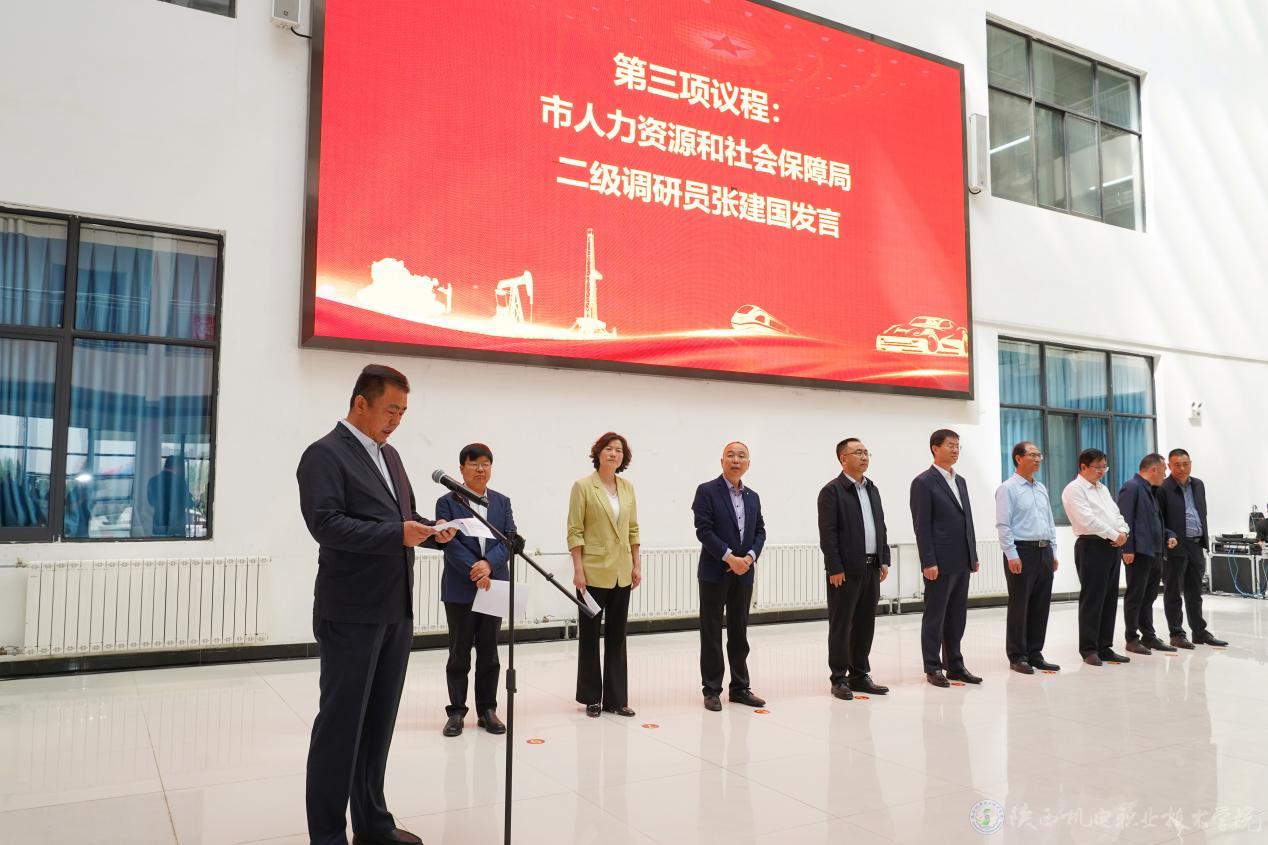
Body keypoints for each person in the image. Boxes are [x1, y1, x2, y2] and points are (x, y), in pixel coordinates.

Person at [297, 364, 455, 845]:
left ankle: (373, 825)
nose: (396, 421)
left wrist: (432, 532)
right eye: (390, 410)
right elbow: (326, 525)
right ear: (360, 403)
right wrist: (397, 534)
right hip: (350, 612)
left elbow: (399, 518)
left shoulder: (391, 456)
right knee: (341, 728)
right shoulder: (324, 454)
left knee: (378, 726)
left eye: (403, 412)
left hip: (394, 610)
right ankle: (328, 836)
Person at [435, 443, 516, 737]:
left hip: (493, 585)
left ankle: (487, 710)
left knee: (489, 652)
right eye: (474, 464)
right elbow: (449, 544)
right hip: (461, 586)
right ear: (461, 469)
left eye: (485, 464)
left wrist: (489, 565)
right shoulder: (447, 502)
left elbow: (509, 539)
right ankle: (456, 712)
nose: (480, 469)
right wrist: (476, 570)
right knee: (459, 652)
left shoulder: (502, 502)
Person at [568, 432, 641, 717]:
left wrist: (636, 564)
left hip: (622, 571)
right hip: (592, 572)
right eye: (609, 449)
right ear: (598, 453)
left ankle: (616, 699)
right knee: (589, 636)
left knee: (617, 636)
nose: (613, 454)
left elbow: (633, 529)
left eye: (619, 450)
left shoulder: (628, 487)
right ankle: (591, 698)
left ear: (624, 457)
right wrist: (578, 569)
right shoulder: (583, 486)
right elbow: (575, 530)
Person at [692, 441, 767, 711]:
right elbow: (703, 530)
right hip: (715, 572)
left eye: (742, 456)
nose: (736, 460)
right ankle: (712, 689)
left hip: (744, 572)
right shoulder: (706, 491)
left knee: (739, 631)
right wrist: (729, 557)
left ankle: (740, 687)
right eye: (731, 455)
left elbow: (760, 531)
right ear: (722, 461)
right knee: (711, 632)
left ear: (748, 463)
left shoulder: (753, 496)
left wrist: (749, 557)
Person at [817, 437, 891, 699]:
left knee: (864, 624)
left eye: (866, 452)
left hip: (871, 567)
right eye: (858, 452)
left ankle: (860, 674)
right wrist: (834, 567)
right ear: (843, 458)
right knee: (842, 625)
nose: (864, 457)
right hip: (845, 571)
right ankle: (839, 678)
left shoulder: (872, 489)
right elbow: (828, 534)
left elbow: (880, 526)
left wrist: (884, 559)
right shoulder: (832, 491)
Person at [910, 429, 981, 688]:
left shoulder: (960, 481)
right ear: (935, 448)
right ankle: (932, 666)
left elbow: (967, 519)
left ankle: (955, 665)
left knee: (956, 616)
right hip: (939, 562)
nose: (955, 450)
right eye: (950, 445)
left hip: (961, 558)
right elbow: (922, 525)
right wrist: (928, 561)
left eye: (958, 446)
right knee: (935, 616)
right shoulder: (923, 482)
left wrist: (972, 554)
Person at [994, 441, 1061, 675]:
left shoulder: (1041, 488)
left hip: (1044, 551)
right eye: (1032, 455)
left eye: (1039, 455)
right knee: (1019, 605)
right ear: (1018, 458)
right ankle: (1017, 655)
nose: (1037, 459)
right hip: (1022, 552)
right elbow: (1003, 525)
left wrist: (1053, 551)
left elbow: (1049, 521)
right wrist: (1011, 554)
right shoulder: (1008, 489)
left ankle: (1035, 653)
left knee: (1041, 605)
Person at [1061, 448, 1130, 666]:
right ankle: (1089, 649)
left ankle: (1105, 646)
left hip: (1112, 546)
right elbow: (1087, 520)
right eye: (1097, 467)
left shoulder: (1102, 488)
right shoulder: (1074, 489)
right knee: (1093, 598)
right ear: (1083, 467)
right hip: (1091, 546)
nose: (1101, 471)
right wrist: (1115, 535)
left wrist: (1123, 531)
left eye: (1104, 467)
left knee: (1109, 598)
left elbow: (1116, 514)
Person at [1157, 449, 1228, 648]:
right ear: (1169, 466)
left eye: (1185, 464)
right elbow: (1159, 519)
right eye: (1177, 465)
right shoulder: (1163, 488)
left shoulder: (1198, 484)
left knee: (1195, 591)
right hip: (1176, 545)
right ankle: (1176, 634)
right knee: (1173, 591)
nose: (1182, 468)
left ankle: (1199, 632)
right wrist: (1168, 536)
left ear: (1190, 463)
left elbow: (1200, 512)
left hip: (1196, 544)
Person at [1118, 453, 1178, 655]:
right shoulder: (1132, 487)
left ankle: (1148, 636)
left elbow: (1153, 521)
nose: (1165, 474)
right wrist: (1127, 548)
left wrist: (1168, 535)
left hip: (1154, 551)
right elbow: (1125, 520)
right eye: (1163, 470)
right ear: (1153, 469)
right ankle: (1131, 638)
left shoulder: (1151, 491)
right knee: (1135, 596)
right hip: (1139, 552)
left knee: (1149, 597)